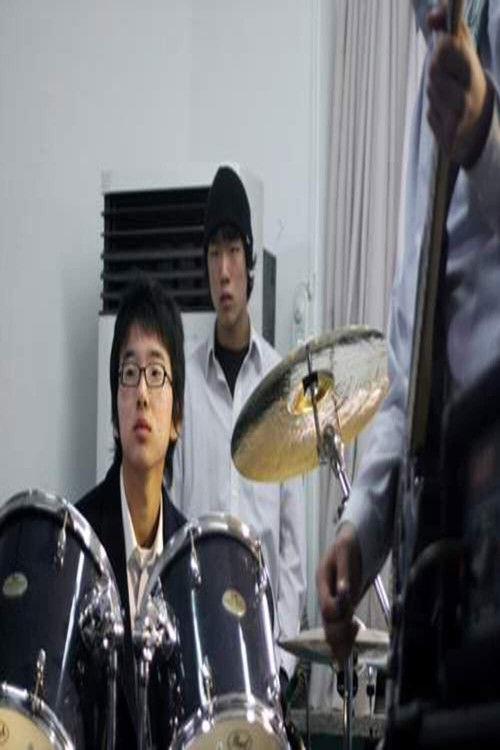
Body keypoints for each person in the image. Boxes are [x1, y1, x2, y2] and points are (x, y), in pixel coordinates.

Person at [317, 0, 500, 665]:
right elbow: (410, 371)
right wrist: (359, 530)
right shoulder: (428, 76)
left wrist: (484, 139)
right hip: (443, 568)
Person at [171, 165, 307, 683]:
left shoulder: (281, 384)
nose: (224, 272)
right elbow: (166, 519)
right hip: (193, 641)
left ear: (249, 262)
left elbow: (293, 546)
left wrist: (285, 664)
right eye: (213, 254)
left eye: (233, 251)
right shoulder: (181, 382)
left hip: (262, 650)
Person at [78, 276, 186, 749]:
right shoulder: (75, 545)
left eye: (156, 373)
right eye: (129, 373)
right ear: (114, 413)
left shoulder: (191, 561)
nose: (141, 391)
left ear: (177, 418)